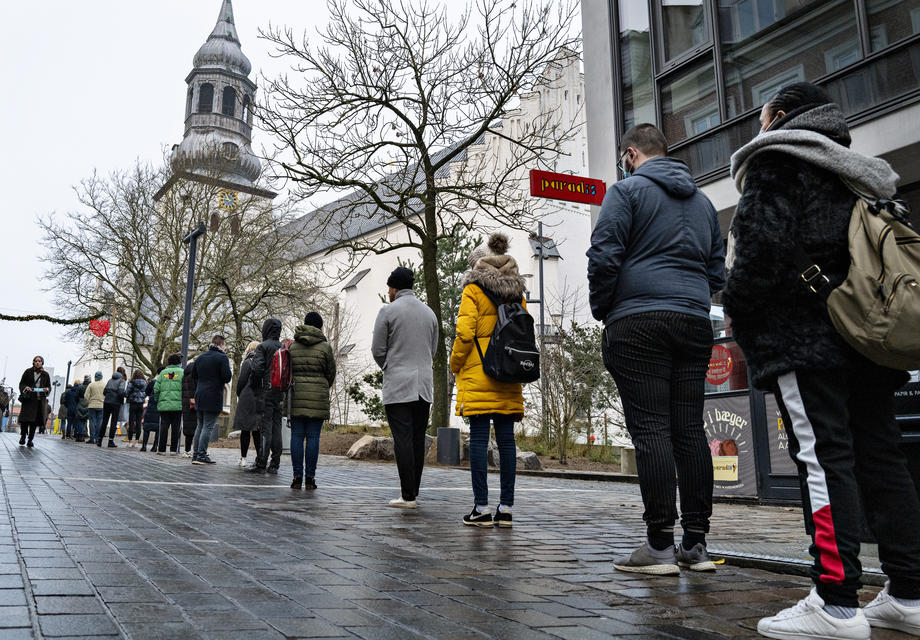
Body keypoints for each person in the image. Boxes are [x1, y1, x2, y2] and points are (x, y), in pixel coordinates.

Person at [724, 82, 920, 640]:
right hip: (866, 337)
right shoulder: (859, 173)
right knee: (883, 458)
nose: (759, 129)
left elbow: (759, 249)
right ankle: (908, 593)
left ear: (781, 117)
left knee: (821, 457)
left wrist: (735, 304)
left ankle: (835, 602)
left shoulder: (778, 162)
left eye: (764, 118)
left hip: (804, 339)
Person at [587, 123, 725, 575]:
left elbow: (604, 254)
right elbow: (717, 270)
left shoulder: (625, 193)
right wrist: (693, 299)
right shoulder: (704, 204)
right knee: (689, 430)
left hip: (639, 321)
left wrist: (604, 308)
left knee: (651, 430)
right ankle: (696, 545)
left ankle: (658, 545)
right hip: (692, 320)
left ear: (630, 155)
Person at [450, 233, 527, 527]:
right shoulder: (517, 292)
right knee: (507, 441)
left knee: (480, 440)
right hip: (508, 374)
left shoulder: (472, 291)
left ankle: (481, 508)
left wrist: (454, 363)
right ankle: (505, 508)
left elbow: (465, 333)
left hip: (479, 373)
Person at [371, 266, 439, 509]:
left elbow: (377, 349)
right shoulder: (430, 313)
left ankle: (407, 495)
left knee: (402, 438)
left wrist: (389, 365)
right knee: (417, 438)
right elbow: (433, 349)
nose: (388, 292)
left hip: (399, 384)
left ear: (394, 288)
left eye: (389, 287)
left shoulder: (388, 311)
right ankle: (414, 491)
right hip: (424, 384)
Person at [288, 312, 336, 490]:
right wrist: (322, 386)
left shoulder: (293, 347)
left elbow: (288, 372)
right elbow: (331, 373)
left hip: (297, 395)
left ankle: (296, 477)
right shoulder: (325, 347)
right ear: (320, 327)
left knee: (297, 437)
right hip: (317, 397)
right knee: (313, 437)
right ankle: (310, 478)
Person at [247, 319, 284, 475]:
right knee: (277, 428)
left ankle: (261, 462)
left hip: (265, 392)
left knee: (265, 428)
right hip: (279, 392)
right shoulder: (283, 347)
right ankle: (275, 463)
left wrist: (255, 387)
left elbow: (256, 370)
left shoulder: (263, 347)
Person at [192, 335, 232, 465]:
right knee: (208, 427)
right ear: (221, 345)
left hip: (200, 394)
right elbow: (227, 377)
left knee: (200, 426)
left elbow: (194, 375)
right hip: (213, 395)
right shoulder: (222, 357)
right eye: (225, 345)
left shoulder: (200, 357)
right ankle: (201, 455)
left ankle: (195, 454)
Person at [233, 341, 262, 468]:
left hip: (247, 397)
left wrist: (240, 393)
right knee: (257, 430)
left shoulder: (248, 361)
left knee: (245, 430)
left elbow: (242, 381)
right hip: (259, 397)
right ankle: (259, 457)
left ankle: (243, 458)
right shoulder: (262, 362)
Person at [17, 356, 51, 447]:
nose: (37, 363)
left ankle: (30, 440)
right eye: (36, 361)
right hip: (28, 400)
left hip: (39, 400)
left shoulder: (45, 374)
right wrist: (25, 388)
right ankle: (23, 437)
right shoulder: (28, 372)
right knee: (24, 421)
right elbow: (21, 383)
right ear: (33, 362)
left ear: (42, 363)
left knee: (34, 422)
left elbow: (49, 387)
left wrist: (46, 389)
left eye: (39, 361)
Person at [155, 354, 184, 455]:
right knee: (176, 428)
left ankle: (162, 449)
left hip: (164, 404)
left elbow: (156, 389)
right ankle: (173, 450)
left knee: (163, 427)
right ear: (179, 362)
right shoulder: (182, 372)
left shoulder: (162, 373)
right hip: (178, 405)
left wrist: (158, 400)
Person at [101, 369, 126, 448]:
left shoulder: (110, 380)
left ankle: (99, 440)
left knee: (104, 421)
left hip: (107, 402)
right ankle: (110, 441)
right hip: (116, 403)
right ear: (122, 373)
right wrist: (124, 396)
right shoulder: (122, 381)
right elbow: (121, 392)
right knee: (113, 422)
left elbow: (104, 392)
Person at [140, 366, 163, 452]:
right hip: (160, 406)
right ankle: (155, 446)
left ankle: (144, 446)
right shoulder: (163, 383)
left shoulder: (152, 382)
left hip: (151, 406)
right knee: (158, 428)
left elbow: (147, 392)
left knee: (147, 426)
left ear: (157, 373)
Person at [181, 357, 198, 458]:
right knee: (196, 427)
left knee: (188, 427)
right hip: (194, 403)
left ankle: (187, 449)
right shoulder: (194, 375)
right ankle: (195, 450)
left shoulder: (185, 375)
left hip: (185, 403)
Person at [125, 370, 147, 448]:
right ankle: (136, 442)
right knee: (138, 423)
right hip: (140, 404)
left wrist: (130, 396)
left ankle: (130, 442)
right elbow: (146, 392)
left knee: (131, 422)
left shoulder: (131, 382)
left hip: (133, 404)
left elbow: (126, 392)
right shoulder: (144, 382)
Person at [84, 372, 106, 445]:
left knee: (92, 422)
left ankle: (92, 438)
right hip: (101, 405)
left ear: (95, 377)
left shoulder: (91, 385)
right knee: (100, 422)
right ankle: (97, 439)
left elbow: (86, 396)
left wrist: (89, 402)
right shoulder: (104, 385)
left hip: (92, 405)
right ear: (101, 377)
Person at [73, 375, 90, 442]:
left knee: (79, 421)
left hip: (80, 404)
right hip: (87, 404)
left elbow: (76, 397)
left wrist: (79, 402)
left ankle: (79, 435)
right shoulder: (90, 387)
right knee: (85, 420)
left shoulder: (80, 387)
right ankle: (83, 435)